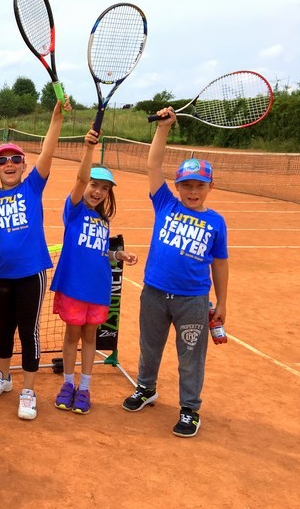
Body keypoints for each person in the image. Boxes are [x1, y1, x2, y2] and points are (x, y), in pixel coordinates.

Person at [122, 107, 229, 438]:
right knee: (150, 346)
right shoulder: (166, 204)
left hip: (193, 300)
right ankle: (146, 388)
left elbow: (220, 263)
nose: (192, 191)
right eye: (186, 185)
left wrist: (221, 301)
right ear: (178, 186)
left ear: (209, 186)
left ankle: (189, 408)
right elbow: (153, 164)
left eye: (199, 185)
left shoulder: (216, 222)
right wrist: (164, 129)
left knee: (190, 356)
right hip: (154, 291)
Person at [0, 99, 70, 420]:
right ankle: (3, 377)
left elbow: (48, 152)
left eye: (16, 159)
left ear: (24, 165)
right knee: (4, 328)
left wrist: (55, 119)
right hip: (1, 274)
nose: (9, 164)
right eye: (3, 161)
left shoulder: (32, 187)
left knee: (29, 330)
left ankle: (28, 390)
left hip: (31, 273)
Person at [50, 127, 138, 415]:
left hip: (98, 288)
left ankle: (84, 388)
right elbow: (80, 178)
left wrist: (116, 254)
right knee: (72, 336)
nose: (98, 191)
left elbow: (98, 250)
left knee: (91, 338)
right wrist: (89, 149)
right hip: (74, 287)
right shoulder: (74, 209)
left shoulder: (103, 220)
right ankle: (67, 384)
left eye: (105, 188)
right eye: (94, 185)